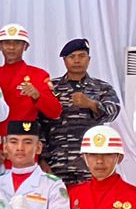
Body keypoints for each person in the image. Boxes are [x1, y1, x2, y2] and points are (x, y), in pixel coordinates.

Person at [45, 39, 122, 187]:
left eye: (81, 56)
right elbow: (40, 123)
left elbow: (113, 112)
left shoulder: (102, 88)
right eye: (71, 57)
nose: (77, 61)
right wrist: (42, 159)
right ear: (64, 60)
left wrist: (91, 104)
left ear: (89, 59)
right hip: (57, 163)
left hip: (90, 164)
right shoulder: (52, 87)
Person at [0, 23, 62, 163]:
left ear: (26, 46)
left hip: (25, 149)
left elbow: (55, 112)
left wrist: (38, 96)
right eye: (7, 43)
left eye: (17, 43)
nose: (11, 47)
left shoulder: (38, 75)